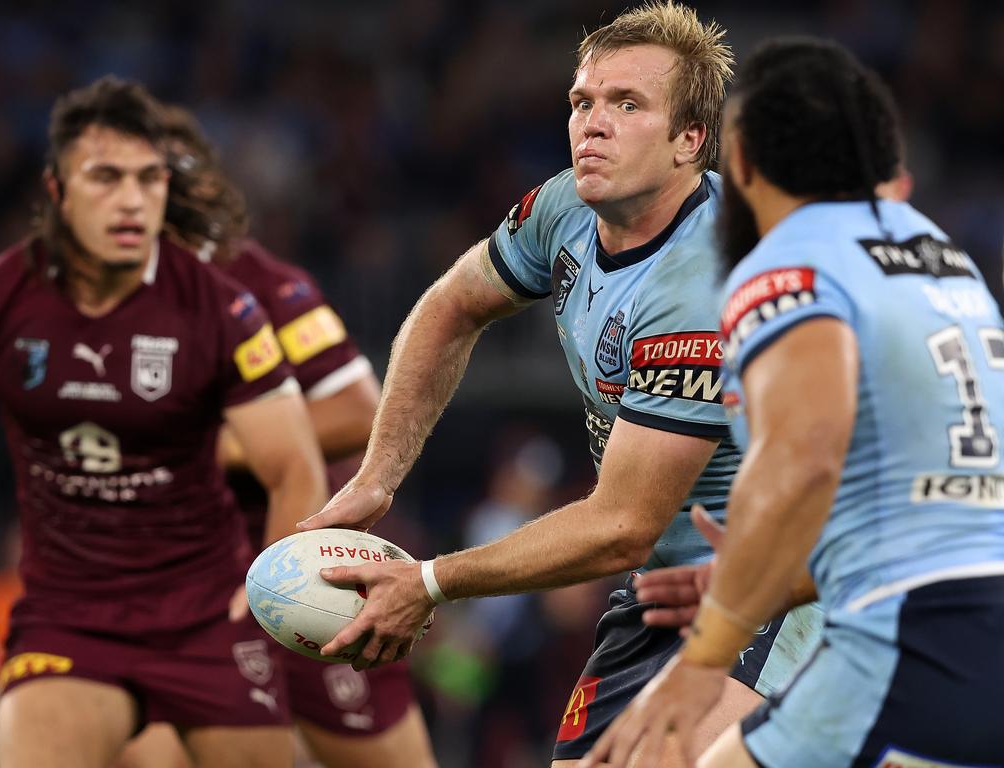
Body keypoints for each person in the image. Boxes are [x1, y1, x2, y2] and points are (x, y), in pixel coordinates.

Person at [299, 3, 823, 765]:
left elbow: (621, 524)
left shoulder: (707, 281)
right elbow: (450, 306)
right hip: (669, 587)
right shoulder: (563, 208)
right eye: (584, 101)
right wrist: (379, 478)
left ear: (691, 142)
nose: (593, 123)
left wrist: (430, 581)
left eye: (627, 104)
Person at [581, 37, 1004, 768]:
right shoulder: (938, 254)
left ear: (739, 162)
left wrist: (704, 661)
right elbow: (933, 502)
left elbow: (804, 461)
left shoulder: (785, 267)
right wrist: (773, 576)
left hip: (908, 643)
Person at [0, 76, 328, 768]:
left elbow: (294, 469)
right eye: (106, 177)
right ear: (57, 191)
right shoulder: (2, 299)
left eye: (149, 179)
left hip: (207, 617)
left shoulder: (220, 308)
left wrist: (271, 597)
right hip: (68, 618)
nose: (132, 200)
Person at [113, 105, 437, 768]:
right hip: (167, 584)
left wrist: (218, 445)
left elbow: (357, 409)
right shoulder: (97, 297)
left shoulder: (259, 282)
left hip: (288, 574)